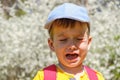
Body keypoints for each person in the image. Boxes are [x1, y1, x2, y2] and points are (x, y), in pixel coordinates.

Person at [33, 3, 104, 80]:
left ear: (88, 42)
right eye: (63, 40)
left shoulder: (96, 77)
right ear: (51, 44)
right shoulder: (44, 77)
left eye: (79, 39)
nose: (72, 46)